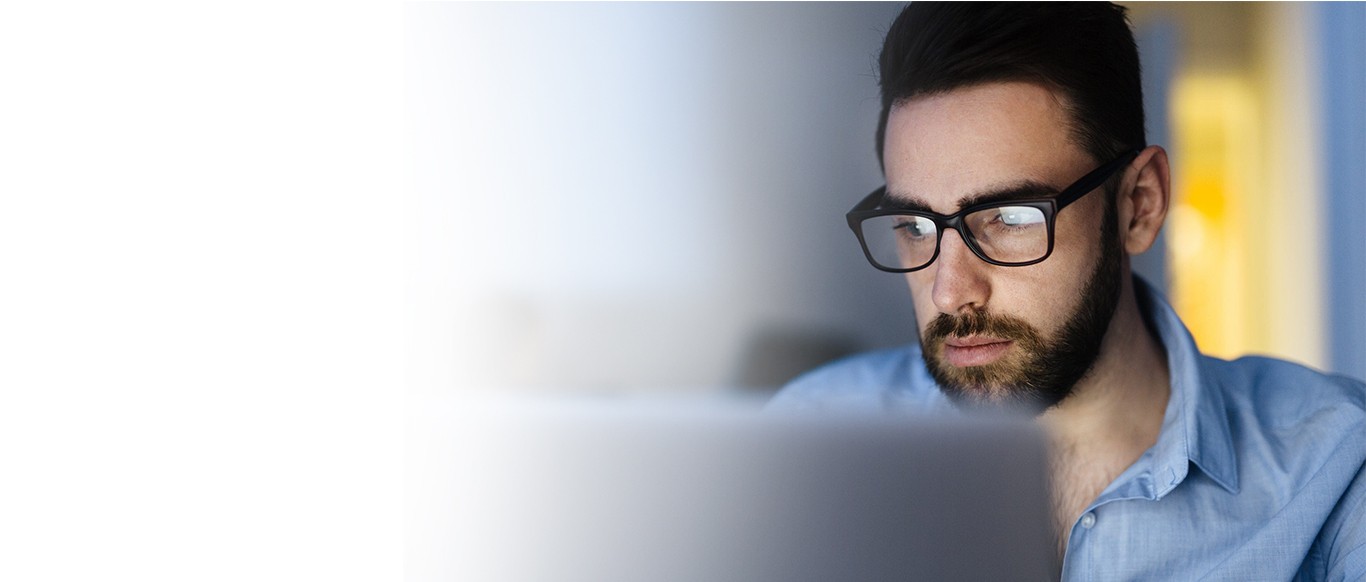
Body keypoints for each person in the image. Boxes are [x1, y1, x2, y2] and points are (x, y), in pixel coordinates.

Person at [767, 3, 1366, 579]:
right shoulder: (809, 443)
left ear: (1139, 205)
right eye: (915, 227)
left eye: (1010, 217)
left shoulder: (1337, 466)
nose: (950, 293)